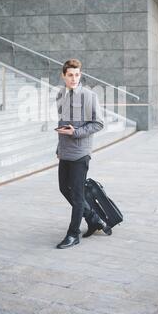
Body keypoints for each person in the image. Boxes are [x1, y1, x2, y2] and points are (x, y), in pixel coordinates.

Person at [55, 58, 112, 249]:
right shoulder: (61, 95)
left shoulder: (89, 96)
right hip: (65, 152)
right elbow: (62, 123)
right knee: (64, 188)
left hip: (80, 152)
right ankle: (94, 218)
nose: (74, 78)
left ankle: (73, 234)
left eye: (77, 75)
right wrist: (59, 148)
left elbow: (99, 123)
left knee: (77, 194)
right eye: (70, 75)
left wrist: (76, 132)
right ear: (63, 76)